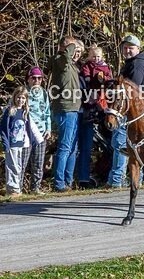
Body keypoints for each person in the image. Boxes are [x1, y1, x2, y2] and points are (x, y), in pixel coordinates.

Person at [110, 35, 144, 188]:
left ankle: (117, 180)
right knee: (124, 144)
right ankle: (129, 179)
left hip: (130, 111)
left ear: (138, 49)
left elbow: (134, 89)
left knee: (120, 144)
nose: (127, 50)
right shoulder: (132, 63)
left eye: (131, 48)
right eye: (125, 47)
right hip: (129, 110)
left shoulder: (137, 64)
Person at [48, 37, 84, 192]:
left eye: (78, 51)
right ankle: (59, 183)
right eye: (73, 49)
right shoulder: (60, 61)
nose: (75, 53)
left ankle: (68, 182)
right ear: (65, 47)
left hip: (75, 109)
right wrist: (71, 46)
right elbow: (64, 58)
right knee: (65, 146)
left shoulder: (72, 65)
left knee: (72, 148)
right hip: (66, 109)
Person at [76, 45, 114, 188]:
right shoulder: (87, 66)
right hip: (90, 97)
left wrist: (106, 80)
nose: (96, 59)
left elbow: (109, 77)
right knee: (85, 145)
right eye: (94, 56)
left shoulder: (105, 66)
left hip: (102, 94)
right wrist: (88, 80)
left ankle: (104, 172)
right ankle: (84, 176)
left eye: (98, 57)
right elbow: (86, 77)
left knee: (108, 142)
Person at [1, 87, 44, 197]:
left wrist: (32, 141)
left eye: (23, 98)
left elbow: (28, 128)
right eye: (18, 97)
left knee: (19, 167)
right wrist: (6, 144)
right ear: (14, 97)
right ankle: (12, 190)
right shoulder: (10, 110)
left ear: (26, 99)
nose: (20, 100)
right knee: (12, 166)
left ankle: (17, 190)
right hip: (12, 144)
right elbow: (4, 128)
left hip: (22, 144)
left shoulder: (25, 112)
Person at [25, 67, 51, 194]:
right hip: (26, 132)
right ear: (28, 79)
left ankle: (35, 188)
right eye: (33, 78)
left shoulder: (44, 93)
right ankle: (17, 189)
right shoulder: (23, 93)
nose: (36, 81)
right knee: (23, 162)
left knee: (39, 162)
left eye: (39, 78)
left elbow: (47, 113)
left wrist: (48, 129)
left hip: (41, 132)